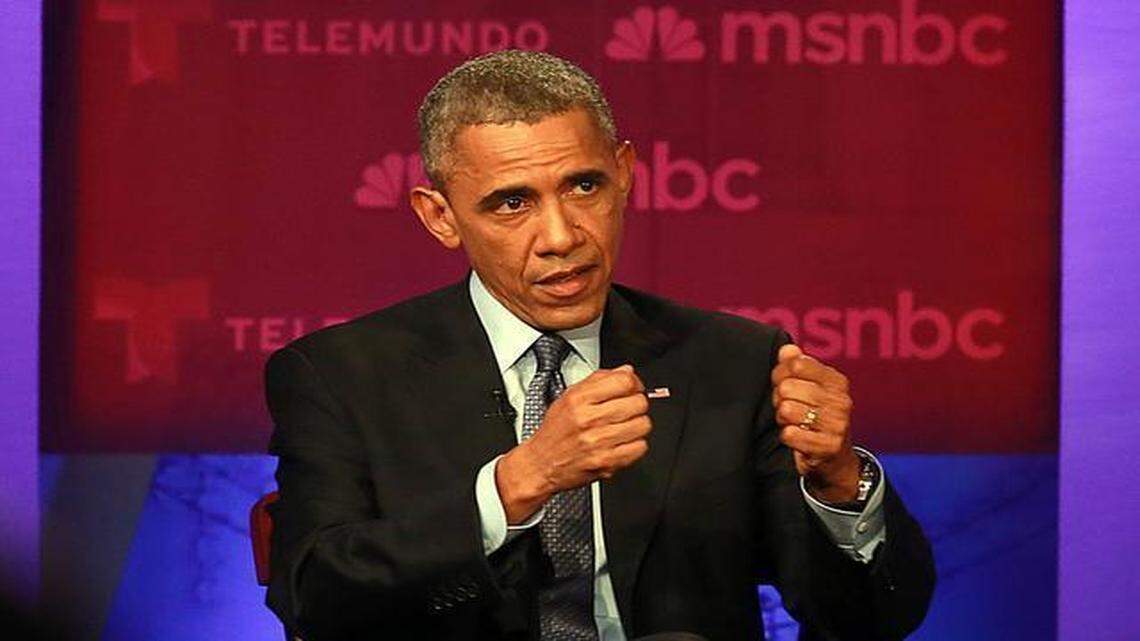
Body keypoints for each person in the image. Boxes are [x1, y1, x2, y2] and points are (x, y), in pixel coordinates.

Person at [263, 50, 935, 641]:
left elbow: (871, 620)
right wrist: (520, 482)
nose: (561, 235)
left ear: (625, 173)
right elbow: (315, 597)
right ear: (441, 216)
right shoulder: (340, 376)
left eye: (584, 186)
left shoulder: (733, 362)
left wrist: (841, 484)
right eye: (511, 203)